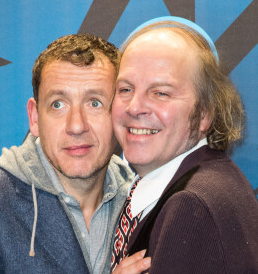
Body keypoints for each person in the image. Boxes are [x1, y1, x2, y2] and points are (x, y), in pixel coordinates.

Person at [0, 34, 150, 273]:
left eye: (95, 103)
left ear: (120, 113)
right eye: (58, 104)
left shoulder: (143, 202)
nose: (76, 126)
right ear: (35, 117)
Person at [111, 17, 258, 273]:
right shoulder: (209, 179)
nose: (134, 107)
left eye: (161, 93)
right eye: (125, 89)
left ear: (204, 114)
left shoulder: (191, 207)